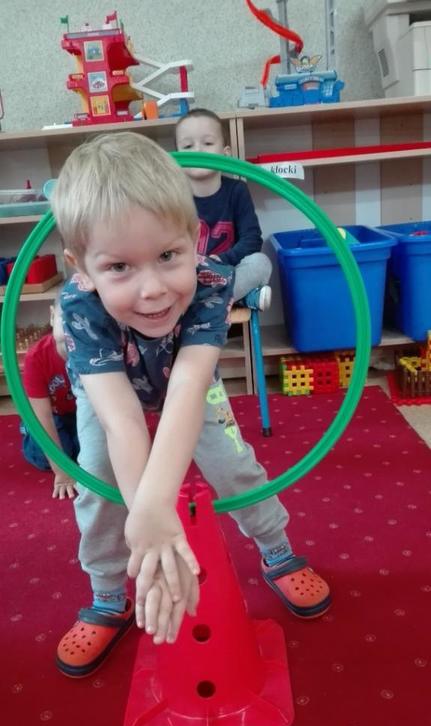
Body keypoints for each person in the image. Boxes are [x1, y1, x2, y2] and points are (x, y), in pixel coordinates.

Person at [51, 131, 331, 678]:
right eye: (119, 267)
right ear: (80, 266)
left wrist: (156, 509)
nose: (153, 289)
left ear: (194, 241)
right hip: (109, 389)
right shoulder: (80, 306)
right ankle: (108, 592)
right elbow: (122, 420)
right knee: (98, 481)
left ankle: (276, 549)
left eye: (167, 256)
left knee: (232, 464)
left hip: (186, 378)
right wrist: (149, 525)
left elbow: (186, 389)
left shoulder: (208, 285)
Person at [175, 107, 272, 312]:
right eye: (188, 146)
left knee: (260, 263)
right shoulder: (173, 198)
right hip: (190, 278)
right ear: (177, 159)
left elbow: (252, 239)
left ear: (225, 154)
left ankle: (210, 305)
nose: (198, 151)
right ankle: (237, 300)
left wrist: (221, 260)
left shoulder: (237, 190)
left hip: (227, 271)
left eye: (208, 143)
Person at [20, 293, 78, 499]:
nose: (73, 328)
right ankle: (27, 428)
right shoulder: (37, 357)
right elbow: (43, 418)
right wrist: (61, 472)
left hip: (81, 412)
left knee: (90, 453)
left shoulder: (97, 353)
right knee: (45, 457)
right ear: (53, 315)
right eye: (66, 317)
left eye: (82, 321)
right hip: (51, 415)